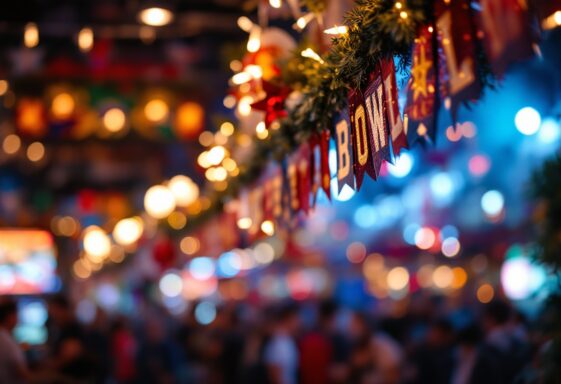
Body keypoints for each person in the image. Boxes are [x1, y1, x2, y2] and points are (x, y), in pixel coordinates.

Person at [264, 303, 300, 384]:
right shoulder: (277, 343)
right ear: (287, 319)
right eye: (296, 319)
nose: (299, 322)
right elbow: (275, 376)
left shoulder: (288, 340)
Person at [0, 298, 30, 384]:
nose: (18, 320)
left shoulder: (4, 337)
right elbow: (23, 374)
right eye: (17, 315)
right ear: (10, 317)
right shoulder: (7, 341)